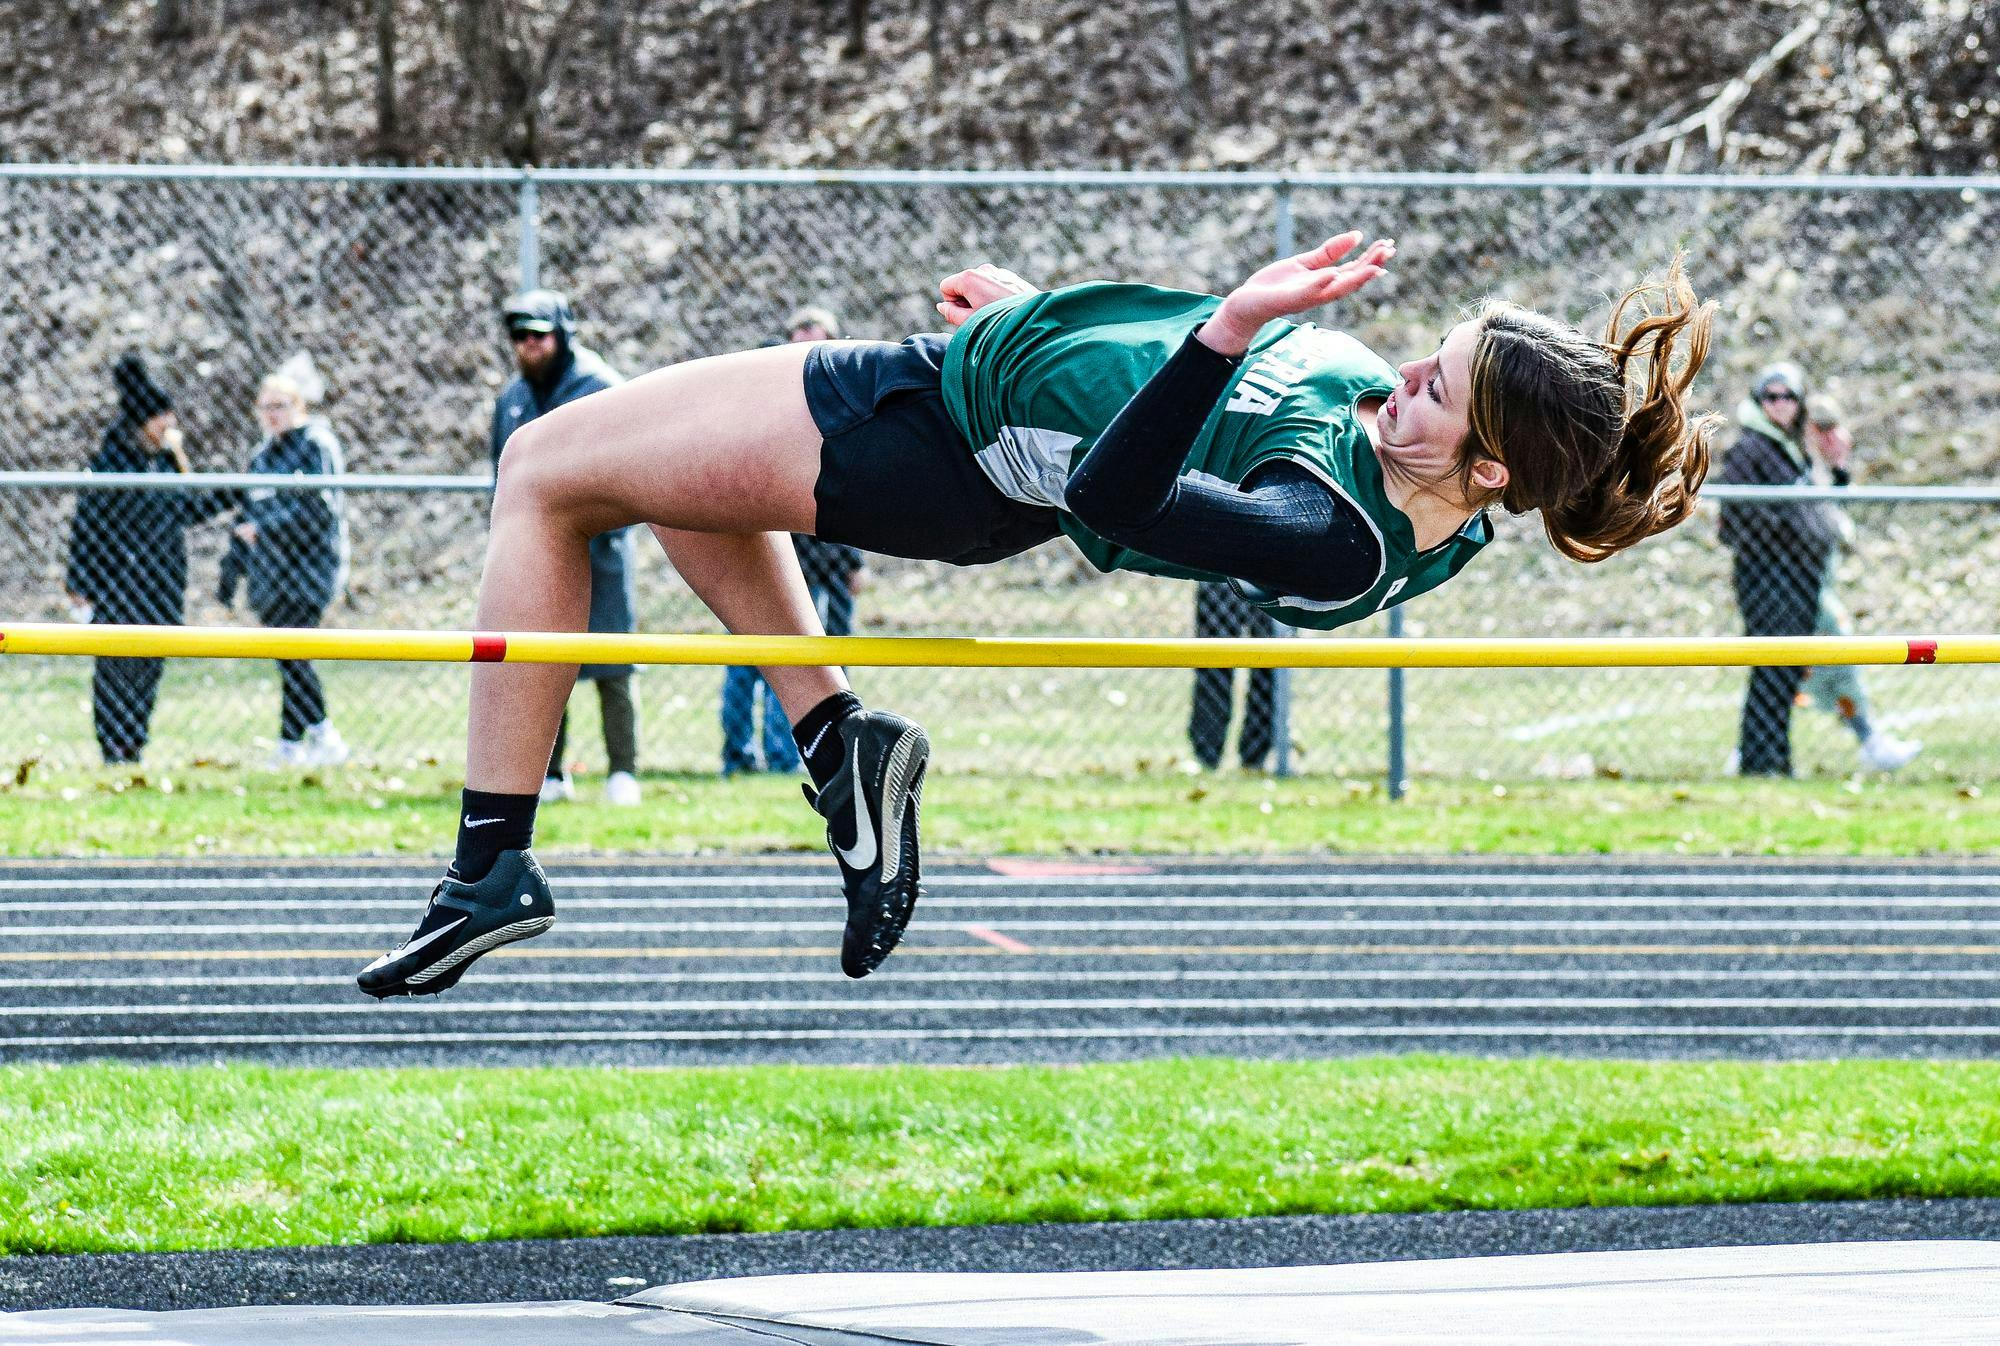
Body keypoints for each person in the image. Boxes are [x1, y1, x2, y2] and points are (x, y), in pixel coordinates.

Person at [359, 232, 1714, 1000]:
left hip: (939, 435)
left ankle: (494, 867)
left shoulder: (1334, 535)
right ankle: (839, 747)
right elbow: (1169, 377)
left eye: (1430, 390)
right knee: (655, 481)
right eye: (1425, 355)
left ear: (1483, 473)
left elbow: (1119, 491)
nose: (1402, 381)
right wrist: (1045, 316)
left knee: (543, 472)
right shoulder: (1431, 467)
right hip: (973, 379)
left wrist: (1235, 319)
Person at [1718, 364, 1919, 776]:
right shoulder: (1751, 449)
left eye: (1788, 397)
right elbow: (1736, 519)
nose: (1780, 405)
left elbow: (1825, 512)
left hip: (1802, 576)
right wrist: (1790, 522)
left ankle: (1770, 760)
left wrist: (1834, 472)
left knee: (1789, 666)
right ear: (1758, 401)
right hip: (1767, 575)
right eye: (1771, 397)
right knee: (1773, 665)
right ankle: (1761, 761)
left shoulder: (1789, 450)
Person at [489, 288, 643, 807]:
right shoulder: (512, 398)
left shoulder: (602, 389)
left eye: (538, 335)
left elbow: (630, 471)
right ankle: (549, 774)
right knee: (542, 665)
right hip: (538, 554)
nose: (528, 346)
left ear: (562, 335)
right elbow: (503, 475)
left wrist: (602, 526)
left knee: (612, 664)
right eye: (519, 337)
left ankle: (623, 771)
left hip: (599, 548)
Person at [722, 307, 871, 776]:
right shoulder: (763, 392)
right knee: (750, 658)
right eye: (797, 339)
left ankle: (807, 751)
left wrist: (854, 560)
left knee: (827, 655)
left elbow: (854, 482)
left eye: (816, 340)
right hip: (767, 545)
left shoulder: (844, 394)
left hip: (827, 550)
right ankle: (740, 755)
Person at [65, 354, 231, 765]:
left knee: (149, 667)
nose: (169, 429)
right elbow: (86, 528)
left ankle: (135, 743)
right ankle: (113, 745)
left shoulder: (166, 464)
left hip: (161, 584)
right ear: (143, 422)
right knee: (115, 669)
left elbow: (185, 510)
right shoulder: (109, 466)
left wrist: (234, 492)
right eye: (162, 421)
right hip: (117, 586)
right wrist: (81, 584)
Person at [218, 355, 353, 768]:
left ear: (300, 407)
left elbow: (320, 511)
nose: (273, 414)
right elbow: (248, 515)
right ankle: (296, 744)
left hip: (309, 568)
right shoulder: (261, 456)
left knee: (293, 653)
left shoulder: (315, 446)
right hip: (270, 574)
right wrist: (231, 571)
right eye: (266, 407)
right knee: (289, 655)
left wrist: (267, 529)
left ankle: (318, 736)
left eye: (281, 405)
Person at [1189, 580, 1277, 771]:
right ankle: (1207, 754)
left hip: (1275, 573)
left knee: (1272, 664)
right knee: (1213, 662)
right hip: (1221, 570)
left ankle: (1256, 755)